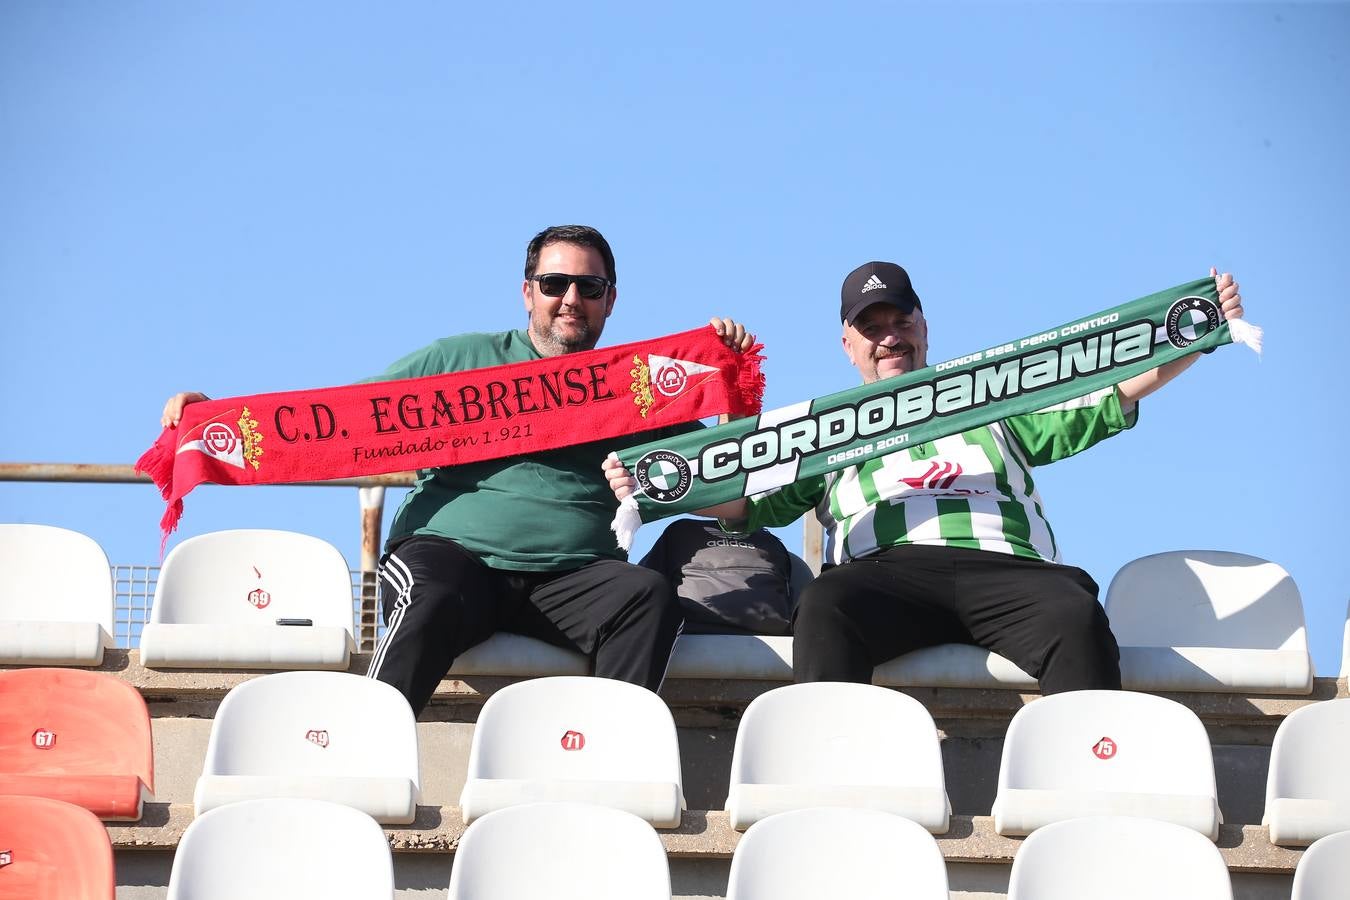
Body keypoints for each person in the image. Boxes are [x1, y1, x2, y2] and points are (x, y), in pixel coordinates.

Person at [160, 224, 754, 714]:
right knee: (434, 595)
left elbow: (732, 497)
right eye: (554, 283)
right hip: (454, 558)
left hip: (573, 577)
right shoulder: (459, 361)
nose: (571, 298)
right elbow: (339, 419)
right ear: (528, 293)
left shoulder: (640, 384)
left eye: (589, 286)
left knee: (647, 594)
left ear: (610, 300)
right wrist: (215, 419)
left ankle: (608, 762)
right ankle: (365, 755)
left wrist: (722, 385)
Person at [605, 261, 1244, 693]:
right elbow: (744, 501)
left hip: (1007, 570)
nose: (889, 338)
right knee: (826, 605)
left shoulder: (994, 401)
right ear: (848, 345)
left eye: (900, 322)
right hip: (887, 575)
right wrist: (648, 478)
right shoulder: (824, 430)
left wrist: (1191, 334)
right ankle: (829, 787)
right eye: (871, 328)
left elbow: (1108, 398)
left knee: (1075, 614)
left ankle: (1091, 789)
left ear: (924, 328)